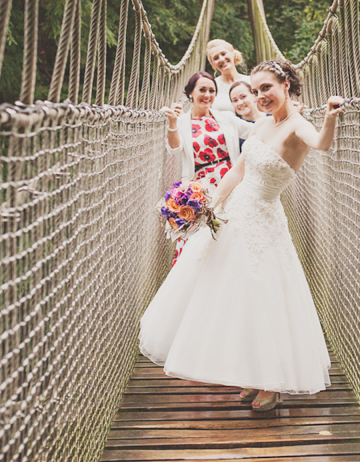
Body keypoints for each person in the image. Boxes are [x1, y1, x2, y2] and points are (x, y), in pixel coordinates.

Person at [141, 58, 344, 411]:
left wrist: (330, 116)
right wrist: (211, 204)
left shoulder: (298, 126)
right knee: (230, 294)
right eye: (255, 90)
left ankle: (271, 381)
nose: (260, 96)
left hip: (263, 220)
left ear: (286, 86)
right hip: (235, 213)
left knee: (261, 295)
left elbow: (322, 144)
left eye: (267, 88)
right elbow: (237, 170)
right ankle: (250, 374)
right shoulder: (263, 125)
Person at [162, 71, 253, 264]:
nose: (208, 95)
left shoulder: (226, 117)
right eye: (202, 90)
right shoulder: (182, 121)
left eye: (212, 90)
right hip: (201, 189)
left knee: (232, 234)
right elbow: (174, 149)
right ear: (191, 94)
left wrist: (283, 115)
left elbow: (254, 130)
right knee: (202, 240)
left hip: (231, 184)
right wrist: (172, 123)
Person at [206, 39, 250, 112]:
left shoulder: (251, 81)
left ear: (232, 54)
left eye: (223, 54)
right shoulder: (211, 87)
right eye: (216, 58)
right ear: (213, 64)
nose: (222, 59)